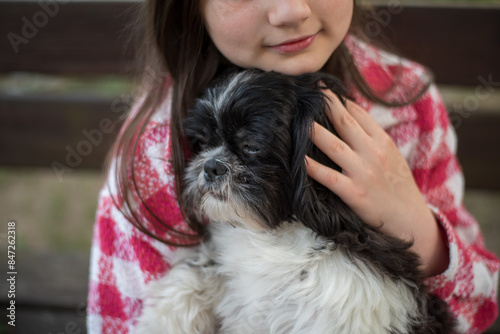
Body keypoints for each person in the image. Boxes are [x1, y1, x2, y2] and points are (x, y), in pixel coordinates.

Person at [87, 0, 499, 333]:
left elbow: (482, 304)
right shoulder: (152, 153)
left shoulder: (408, 101)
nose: (291, 11)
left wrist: (421, 232)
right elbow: (122, 321)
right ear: (188, 8)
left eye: (249, 146)